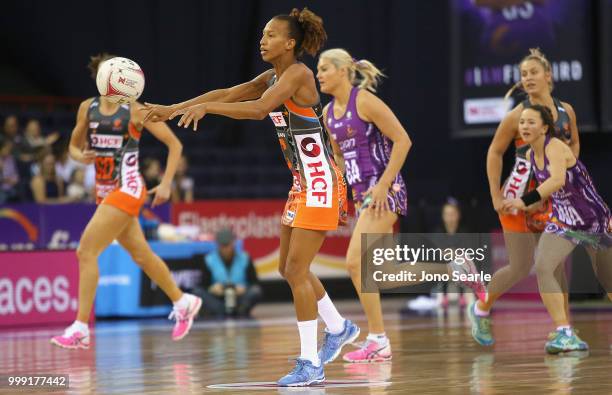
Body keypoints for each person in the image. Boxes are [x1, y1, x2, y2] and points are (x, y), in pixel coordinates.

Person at [143, 8, 358, 386]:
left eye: (271, 35)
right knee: (287, 269)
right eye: (262, 34)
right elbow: (229, 93)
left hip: (321, 180)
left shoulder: (299, 74)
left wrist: (206, 109)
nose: (263, 40)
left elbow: (259, 110)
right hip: (303, 181)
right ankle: (338, 328)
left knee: (295, 271)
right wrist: (172, 109)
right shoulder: (273, 75)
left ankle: (311, 362)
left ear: (290, 43)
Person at [316, 48, 486, 363]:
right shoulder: (327, 115)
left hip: (386, 190)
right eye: (318, 69)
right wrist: (344, 190)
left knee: (357, 264)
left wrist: (382, 185)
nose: (319, 74)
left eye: (325, 68)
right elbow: (340, 157)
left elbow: (403, 140)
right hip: (363, 196)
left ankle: (378, 340)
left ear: (343, 71)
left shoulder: (364, 100)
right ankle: (454, 267)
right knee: (384, 272)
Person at [50, 53, 202, 350]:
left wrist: (168, 182)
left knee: (85, 251)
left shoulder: (135, 110)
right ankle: (183, 301)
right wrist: (81, 156)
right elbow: (73, 146)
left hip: (129, 188)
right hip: (105, 192)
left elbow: (175, 143)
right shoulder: (88, 108)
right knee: (142, 255)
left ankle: (80, 327)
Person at [469, 48, 579, 346]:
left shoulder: (566, 111)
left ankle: (563, 329)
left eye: (533, 72)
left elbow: (574, 146)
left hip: (552, 199)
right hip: (517, 198)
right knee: (520, 266)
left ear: (548, 76)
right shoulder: (518, 115)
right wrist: (494, 194)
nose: (528, 78)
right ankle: (480, 307)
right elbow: (494, 151)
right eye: (523, 74)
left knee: (555, 265)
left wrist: (564, 178)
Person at [504, 104, 612, 353]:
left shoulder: (555, 146)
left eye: (531, 122)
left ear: (544, 127)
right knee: (543, 266)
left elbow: (557, 180)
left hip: (591, 218)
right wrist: (529, 208)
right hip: (563, 219)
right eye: (522, 122)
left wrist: (524, 200)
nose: (525, 126)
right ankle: (565, 333)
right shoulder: (531, 155)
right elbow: (549, 191)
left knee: (607, 280)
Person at [194, 228, 262, 318]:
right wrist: (212, 289)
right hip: (218, 298)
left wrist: (243, 289)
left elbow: (255, 283)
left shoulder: (245, 258)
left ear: (233, 243)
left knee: (256, 291)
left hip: (239, 297)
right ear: (218, 245)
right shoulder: (209, 260)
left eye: (228, 245)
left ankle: (240, 310)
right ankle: (221, 311)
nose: (225, 249)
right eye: (222, 245)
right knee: (197, 292)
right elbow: (202, 285)